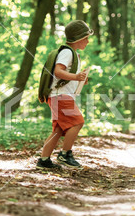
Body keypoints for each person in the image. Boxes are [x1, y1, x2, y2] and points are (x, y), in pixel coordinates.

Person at [37, 20, 93, 169]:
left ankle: (44, 160)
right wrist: (76, 77)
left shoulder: (73, 54)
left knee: (58, 130)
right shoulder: (67, 52)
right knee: (78, 122)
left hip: (59, 95)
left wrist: (79, 80)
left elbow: (66, 75)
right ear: (78, 38)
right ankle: (65, 154)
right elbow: (58, 71)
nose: (87, 41)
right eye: (86, 38)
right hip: (60, 96)